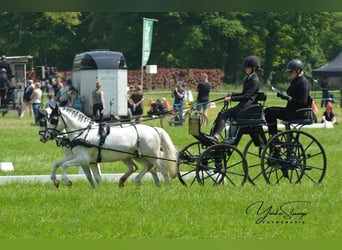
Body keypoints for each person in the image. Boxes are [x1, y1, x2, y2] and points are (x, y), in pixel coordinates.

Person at [208, 55, 261, 141]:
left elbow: (247, 96)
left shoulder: (254, 80)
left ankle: (216, 136)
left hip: (246, 107)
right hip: (244, 105)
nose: (245, 69)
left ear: (254, 68)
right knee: (221, 113)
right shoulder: (249, 78)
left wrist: (232, 99)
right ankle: (213, 135)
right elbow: (244, 94)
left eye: (247, 67)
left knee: (224, 114)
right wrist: (232, 95)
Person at [264, 59, 310, 137]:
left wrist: (288, 98)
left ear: (298, 71)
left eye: (291, 71)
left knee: (269, 112)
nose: (289, 74)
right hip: (291, 111)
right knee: (268, 110)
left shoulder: (303, 83)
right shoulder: (296, 81)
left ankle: (274, 137)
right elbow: (290, 93)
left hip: (297, 113)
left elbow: (303, 102)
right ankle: (274, 137)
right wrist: (283, 95)